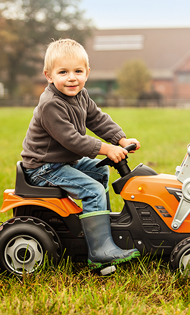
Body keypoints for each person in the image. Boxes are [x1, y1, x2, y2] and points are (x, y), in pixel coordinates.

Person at [21, 39, 141, 269]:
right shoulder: (50, 104)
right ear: (49, 75)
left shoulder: (81, 95)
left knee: (100, 172)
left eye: (77, 71)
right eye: (63, 72)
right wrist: (106, 149)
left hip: (62, 161)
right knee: (93, 189)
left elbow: (97, 118)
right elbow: (72, 140)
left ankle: (102, 234)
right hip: (43, 167)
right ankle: (99, 252)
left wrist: (120, 139)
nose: (71, 78)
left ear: (87, 73)